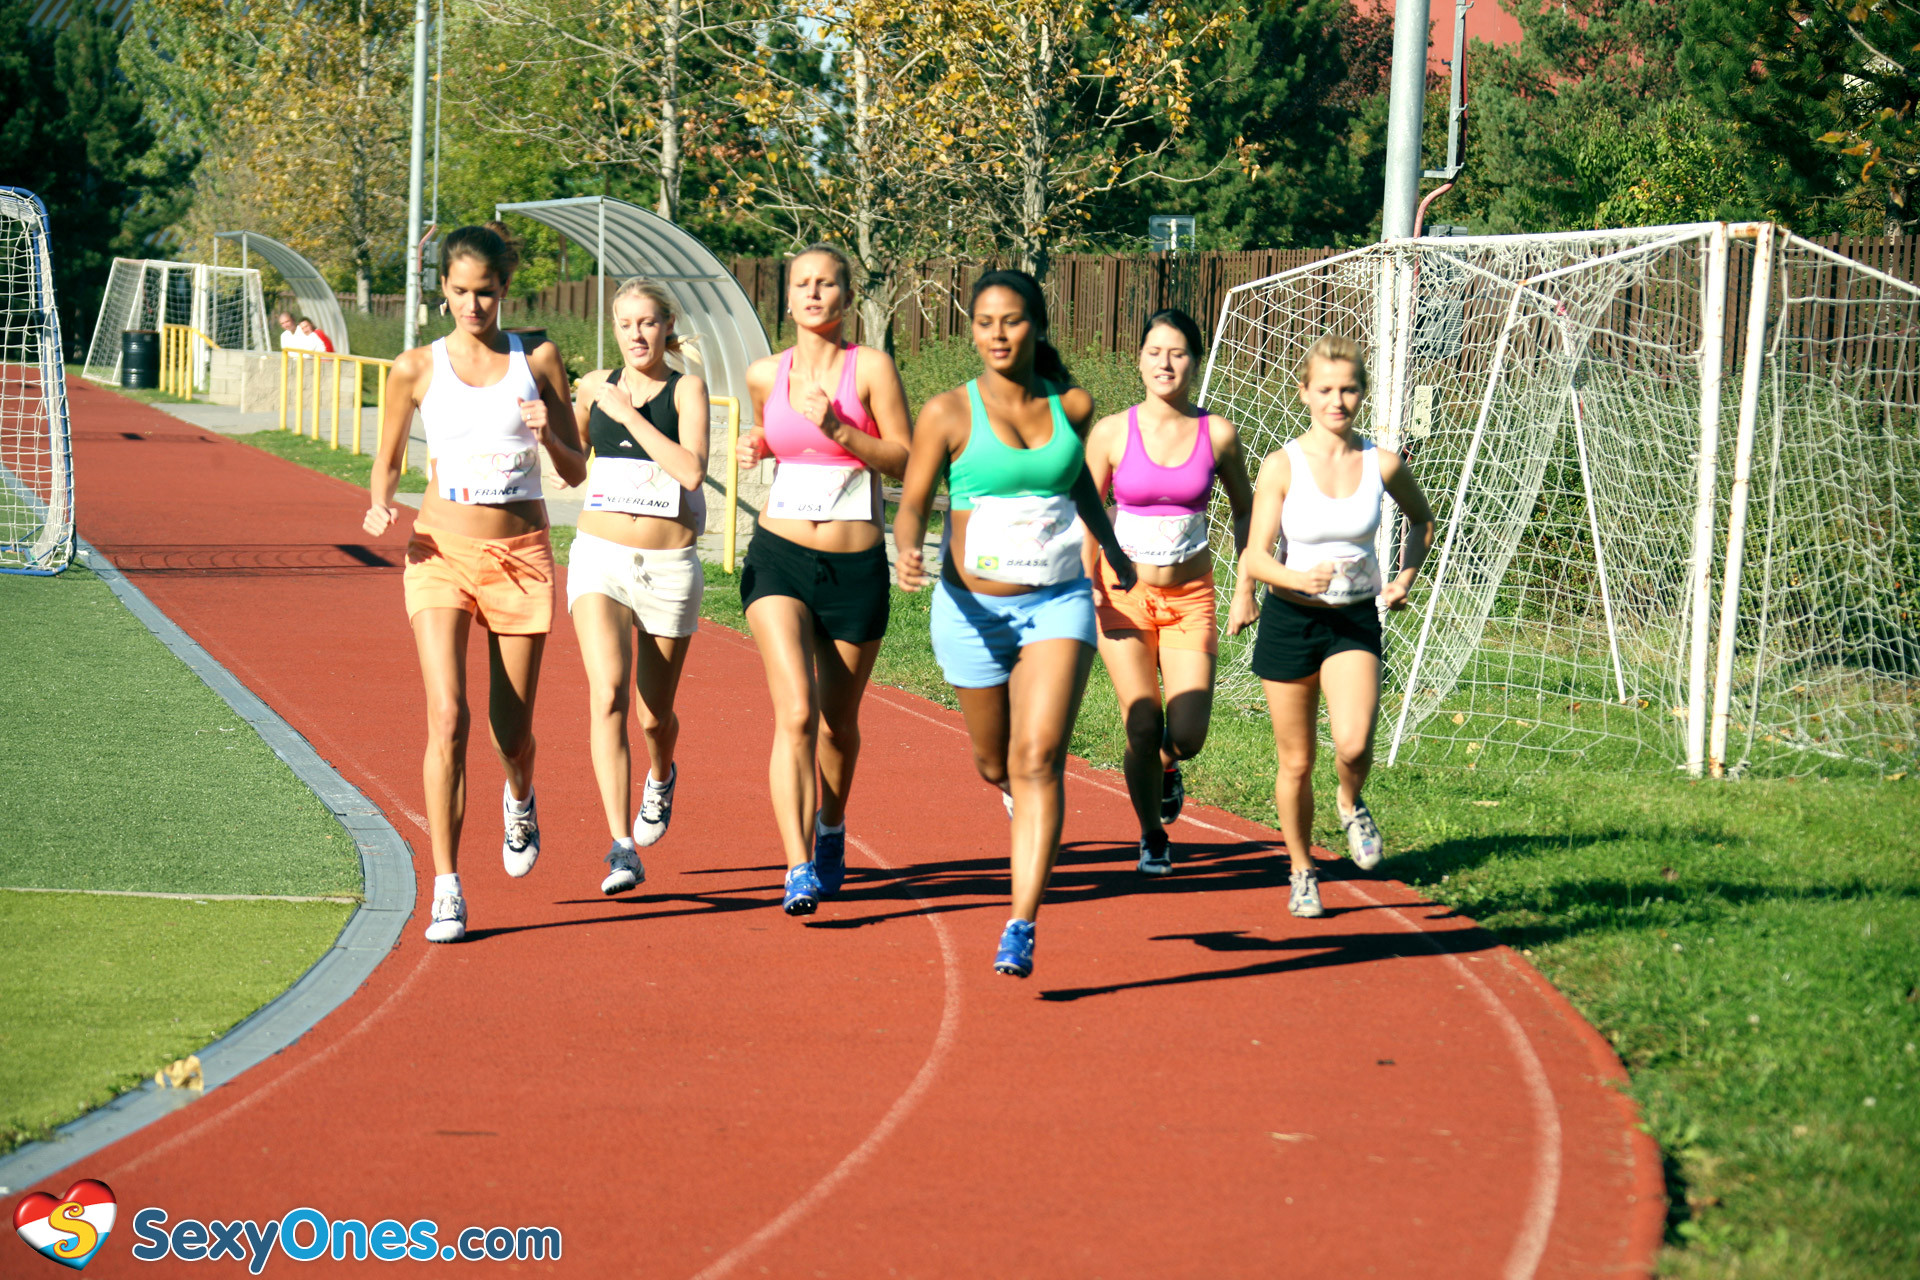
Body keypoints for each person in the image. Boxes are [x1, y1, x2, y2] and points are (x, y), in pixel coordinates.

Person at [893, 268, 1136, 978]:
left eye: (1012, 321)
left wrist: (1113, 545)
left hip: (1058, 604)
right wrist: (907, 544)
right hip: (972, 611)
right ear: (972, 330)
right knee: (994, 762)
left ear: (1038, 325)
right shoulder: (948, 413)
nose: (998, 334)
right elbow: (912, 500)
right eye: (985, 322)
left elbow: (1076, 482)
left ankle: (1021, 921)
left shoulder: (1076, 406)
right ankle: (1009, 795)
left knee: (1039, 761)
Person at [362, 223, 588, 943]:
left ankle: (519, 795)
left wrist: (547, 432)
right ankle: (447, 887)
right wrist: (377, 502)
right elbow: (389, 456)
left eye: (484, 293)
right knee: (447, 717)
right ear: (444, 291)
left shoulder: (539, 358)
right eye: (459, 292)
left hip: (520, 555)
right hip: (439, 554)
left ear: (504, 290)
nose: (472, 306)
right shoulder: (414, 368)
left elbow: (577, 469)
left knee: (510, 732)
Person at [1227, 335, 1434, 919]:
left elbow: (1422, 521)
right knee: (1295, 762)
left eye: (1348, 389)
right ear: (1305, 393)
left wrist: (1404, 579)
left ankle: (1349, 801)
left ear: (1362, 394)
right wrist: (1294, 579)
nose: (1336, 400)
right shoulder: (1282, 465)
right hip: (1291, 622)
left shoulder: (1383, 463)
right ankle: (1301, 869)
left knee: (1353, 744)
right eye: (1325, 389)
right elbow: (1255, 557)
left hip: (1353, 622)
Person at [738, 243, 912, 916]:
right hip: (780, 556)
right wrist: (758, 444)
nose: (813, 294)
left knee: (839, 725)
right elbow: (768, 434)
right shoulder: (764, 374)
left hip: (854, 565)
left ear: (846, 297)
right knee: (797, 713)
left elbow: (901, 459)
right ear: (788, 298)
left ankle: (832, 827)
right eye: (802, 284)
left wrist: (837, 424)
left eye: (827, 284)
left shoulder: (870, 369)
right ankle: (797, 864)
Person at [1082, 308, 1253, 876]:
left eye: (1177, 353)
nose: (1165, 363)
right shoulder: (1111, 432)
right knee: (1140, 721)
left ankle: (1168, 766)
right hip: (1122, 596)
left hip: (1190, 599)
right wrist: (1087, 585)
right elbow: (1085, 511)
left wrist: (1245, 587)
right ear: (1139, 359)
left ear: (1194, 363)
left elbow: (1247, 511)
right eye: (1155, 351)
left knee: (1186, 733)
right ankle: (1151, 834)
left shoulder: (1219, 434)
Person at [568, 279, 710, 895]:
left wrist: (627, 414)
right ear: (615, 328)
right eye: (626, 324)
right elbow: (570, 466)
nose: (636, 334)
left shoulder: (688, 388)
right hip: (598, 556)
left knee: (654, 717)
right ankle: (621, 845)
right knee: (607, 695)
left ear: (665, 326)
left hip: (667, 567)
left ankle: (661, 773)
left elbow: (691, 469)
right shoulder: (594, 387)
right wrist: (543, 426)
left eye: (648, 323)